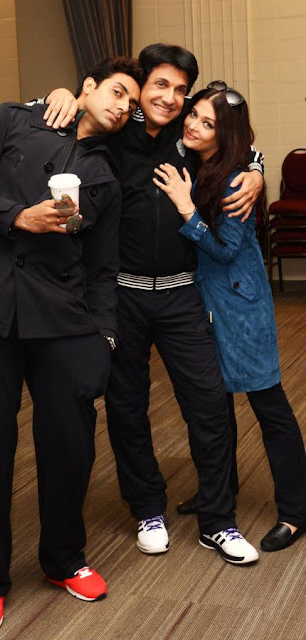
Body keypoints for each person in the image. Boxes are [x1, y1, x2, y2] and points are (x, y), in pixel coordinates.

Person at [43, 44, 264, 565]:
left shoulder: (185, 140)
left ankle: (218, 520)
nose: (171, 98)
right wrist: (62, 95)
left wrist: (254, 168)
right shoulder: (113, 136)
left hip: (184, 296)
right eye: (161, 85)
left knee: (209, 406)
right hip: (122, 297)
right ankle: (147, 508)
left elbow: (233, 142)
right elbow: (64, 122)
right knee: (127, 409)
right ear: (141, 87)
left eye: (181, 90)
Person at [0, 57, 142, 634]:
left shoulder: (105, 175)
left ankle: (64, 560)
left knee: (70, 448)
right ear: (87, 87)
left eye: (131, 104)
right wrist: (17, 216)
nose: (123, 106)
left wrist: (105, 339)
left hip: (65, 323)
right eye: (117, 91)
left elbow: (104, 269)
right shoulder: (13, 121)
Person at [153, 80, 306, 553]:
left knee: (269, 406)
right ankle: (221, 490)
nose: (194, 125)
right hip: (203, 307)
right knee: (213, 408)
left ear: (226, 134)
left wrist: (184, 206)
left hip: (240, 309)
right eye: (193, 114)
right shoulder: (192, 158)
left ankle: (297, 511)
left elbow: (225, 249)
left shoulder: (236, 178)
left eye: (208, 122)